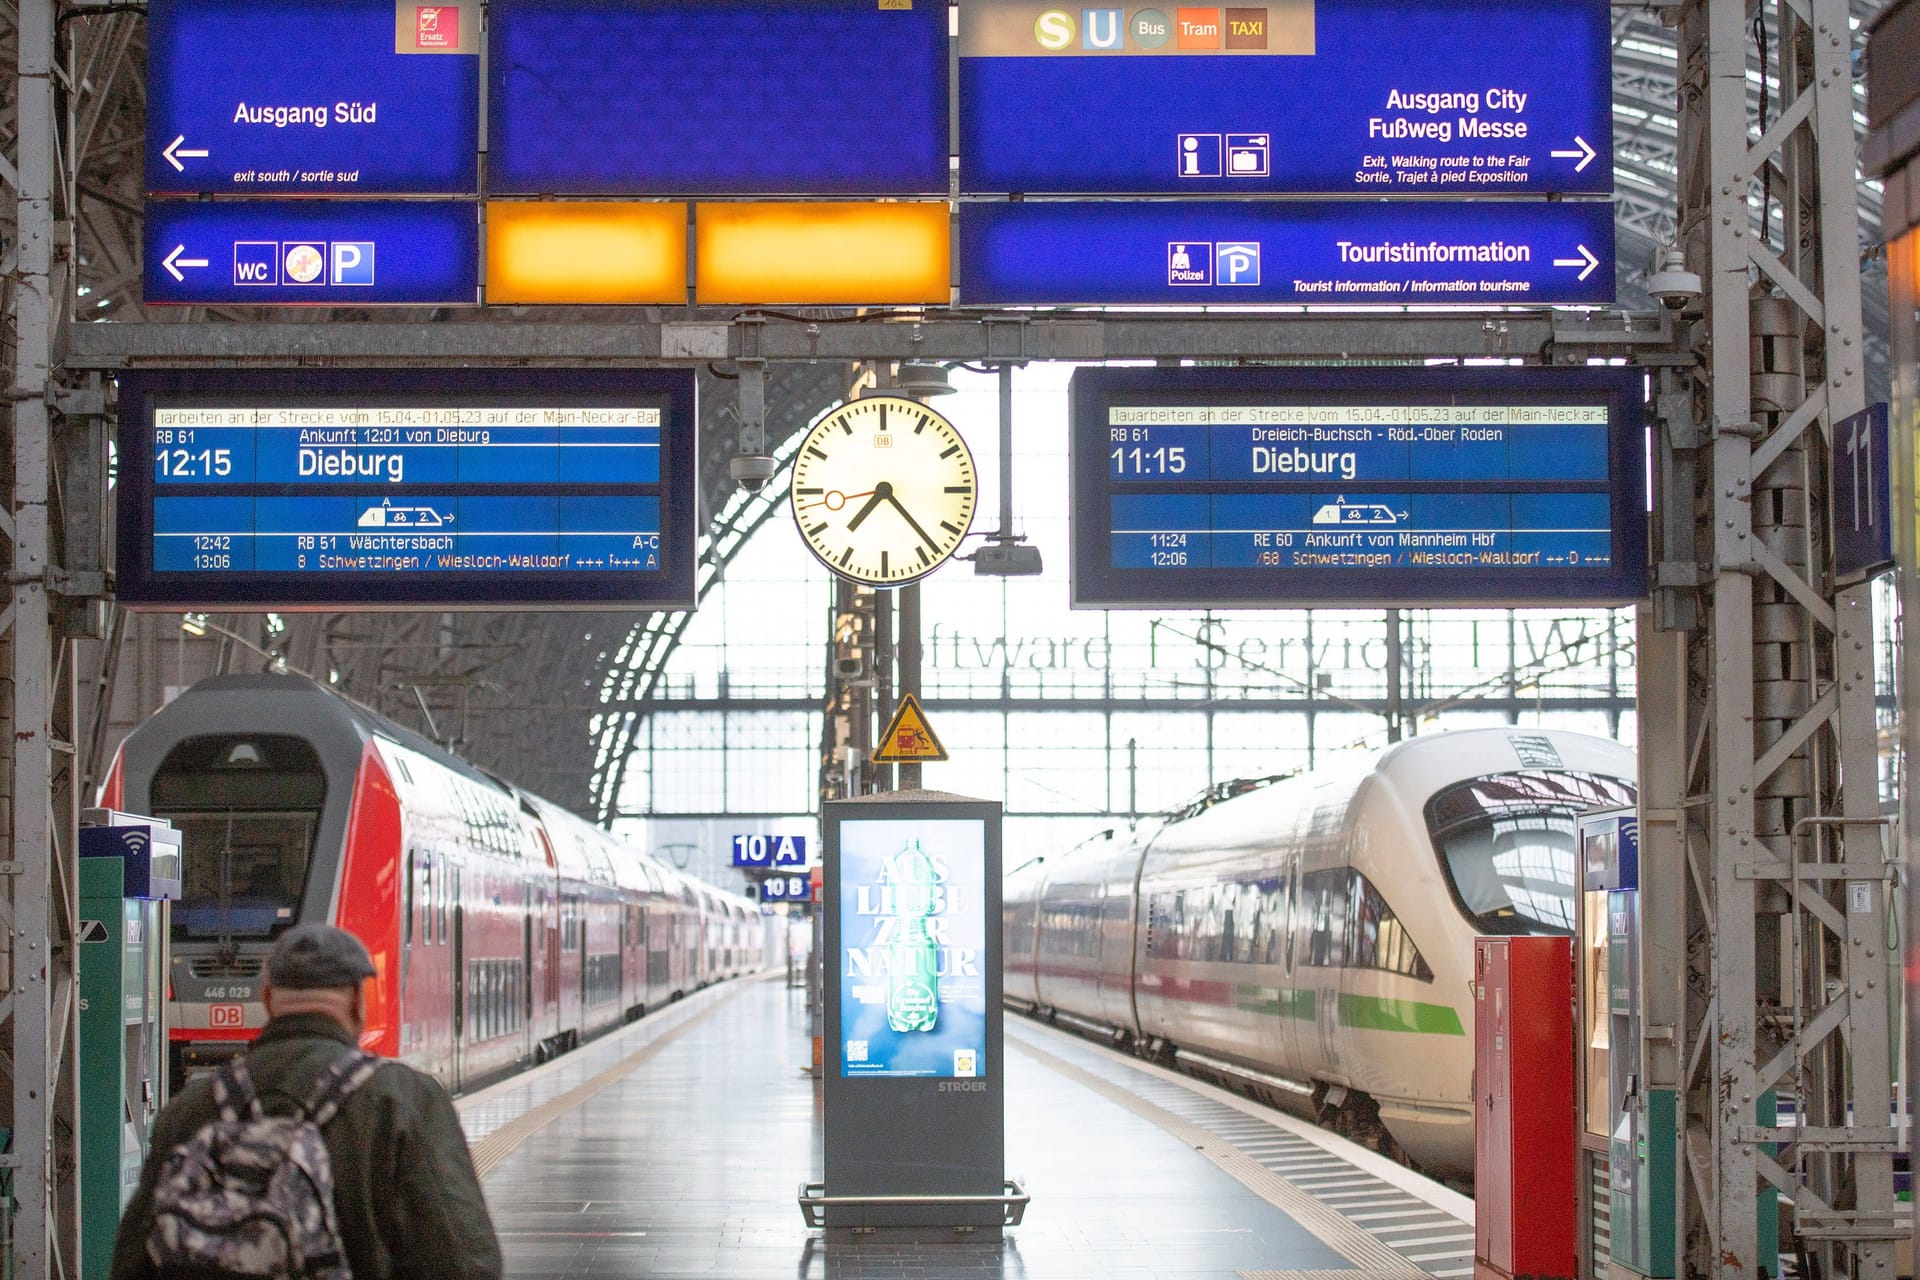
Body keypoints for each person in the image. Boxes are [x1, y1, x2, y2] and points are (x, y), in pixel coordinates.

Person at [111, 924, 504, 1280]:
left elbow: (134, 1260)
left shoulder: (190, 1110)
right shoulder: (403, 1101)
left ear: (267, 998)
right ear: (357, 1001)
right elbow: (463, 1260)